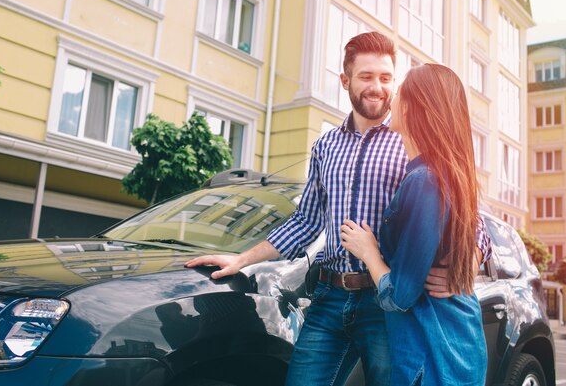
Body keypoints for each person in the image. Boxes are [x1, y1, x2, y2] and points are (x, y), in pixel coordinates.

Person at [186, 32, 490, 386]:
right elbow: (305, 221)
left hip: (387, 305)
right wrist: (240, 259)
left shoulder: (413, 141)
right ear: (345, 80)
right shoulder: (325, 146)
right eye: (366, 76)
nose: (378, 87)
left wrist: (470, 261)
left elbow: (468, 218)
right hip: (330, 297)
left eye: (386, 78)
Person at [340, 63, 488, 385]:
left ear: (416, 107)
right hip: (459, 351)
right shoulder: (447, 175)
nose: (391, 98)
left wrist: (370, 253)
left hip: (430, 359)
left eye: (400, 91)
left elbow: (399, 297)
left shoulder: (425, 181)